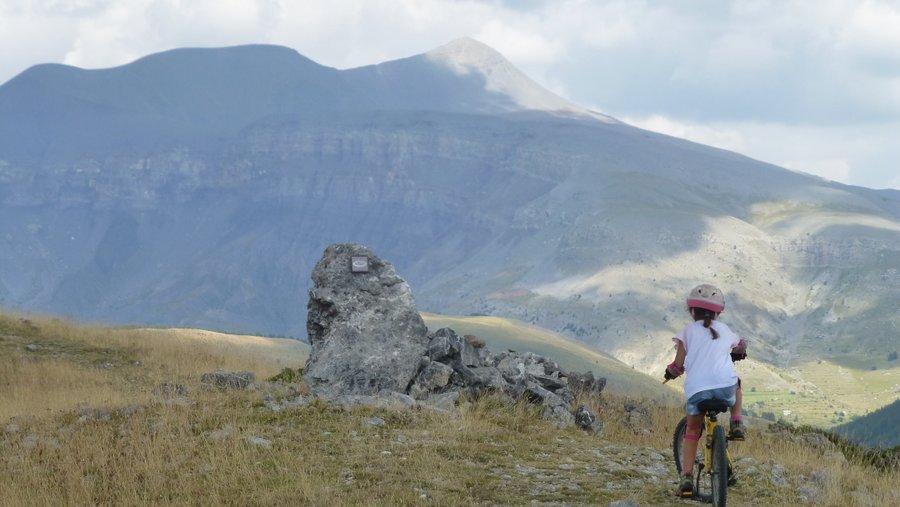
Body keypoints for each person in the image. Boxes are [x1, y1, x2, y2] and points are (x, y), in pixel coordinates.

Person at [664, 283, 747, 497]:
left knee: (692, 431)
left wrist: (671, 372)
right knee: (736, 382)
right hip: (724, 387)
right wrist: (738, 351)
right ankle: (736, 422)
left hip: (698, 391)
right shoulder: (726, 330)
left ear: (692, 311)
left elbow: (678, 364)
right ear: (718, 312)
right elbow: (740, 345)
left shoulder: (687, 332)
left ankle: (687, 479)